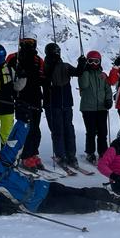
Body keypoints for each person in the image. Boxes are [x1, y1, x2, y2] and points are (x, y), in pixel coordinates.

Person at [0, 121, 120, 216]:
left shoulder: (4, 161)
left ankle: (110, 197)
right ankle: (101, 205)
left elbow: (14, 141)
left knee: (78, 191)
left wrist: (22, 122)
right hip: (36, 203)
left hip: (43, 186)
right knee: (75, 202)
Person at [6, 34, 45, 169]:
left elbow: (42, 78)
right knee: (24, 128)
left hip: (36, 98)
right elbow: (8, 77)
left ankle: (32, 153)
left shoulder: (38, 60)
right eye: (25, 41)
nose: (28, 44)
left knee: (35, 129)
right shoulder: (13, 58)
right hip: (21, 98)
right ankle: (23, 156)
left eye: (30, 42)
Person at [42, 42, 81, 170]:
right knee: (58, 130)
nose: (56, 55)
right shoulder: (45, 67)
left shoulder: (64, 66)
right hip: (53, 104)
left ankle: (70, 155)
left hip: (65, 103)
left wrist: (82, 63)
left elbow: (78, 72)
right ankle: (61, 155)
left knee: (68, 129)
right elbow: (44, 80)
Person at [78, 50, 113, 161]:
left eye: (96, 61)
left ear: (100, 62)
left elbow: (108, 89)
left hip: (102, 108)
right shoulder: (84, 73)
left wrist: (108, 100)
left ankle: (103, 153)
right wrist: (84, 70)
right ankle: (90, 153)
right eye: (91, 61)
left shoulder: (102, 75)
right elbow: (84, 85)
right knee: (91, 132)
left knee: (103, 132)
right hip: (88, 108)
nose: (93, 64)